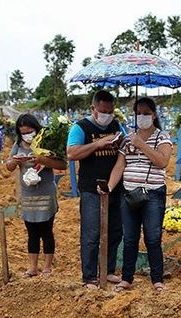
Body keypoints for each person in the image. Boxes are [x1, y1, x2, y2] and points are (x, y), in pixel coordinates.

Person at [104, 97, 173, 292]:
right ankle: (127, 278)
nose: (142, 117)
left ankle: (157, 279)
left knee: (152, 238)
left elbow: (162, 162)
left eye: (146, 113)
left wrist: (141, 144)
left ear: (154, 115)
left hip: (153, 194)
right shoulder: (128, 139)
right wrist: (109, 187)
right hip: (129, 193)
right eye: (139, 113)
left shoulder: (162, 137)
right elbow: (120, 166)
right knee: (130, 238)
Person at [66, 90, 125, 289]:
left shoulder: (116, 126)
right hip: (91, 188)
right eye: (103, 111)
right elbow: (72, 153)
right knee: (91, 233)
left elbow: (125, 146)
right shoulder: (81, 127)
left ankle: (108, 270)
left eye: (110, 111)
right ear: (93, 108)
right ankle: (89, 276)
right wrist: (97, 144)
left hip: (115, 186)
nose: (106, 115)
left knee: (115, 231)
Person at [5, 113, 67, 277]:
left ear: (36, 129)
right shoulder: (18, 144)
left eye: (29, 132)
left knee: (46, 230)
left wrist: (42, 160)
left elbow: (62, 164)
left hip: (45, 192)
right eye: (23, 133)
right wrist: (15, 161)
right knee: (31, 231)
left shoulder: (46, 142)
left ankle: (47, 267)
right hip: (28, 194)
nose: (27, 135)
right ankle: (32, 267)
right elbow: (9, 166)